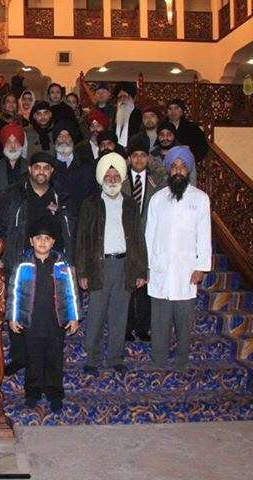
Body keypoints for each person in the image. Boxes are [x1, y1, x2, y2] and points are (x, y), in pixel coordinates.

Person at [0, 151, 75, 376]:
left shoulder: (61, 196)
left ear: (52, 171)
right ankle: (20, 358)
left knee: (52, 312)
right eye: (37, 167)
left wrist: (71, 261)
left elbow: (70, 230)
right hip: (21, 260)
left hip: (54, 262)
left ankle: (50, 362)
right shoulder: (14, 195)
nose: (41, 171)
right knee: (21, 309)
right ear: (30, 169)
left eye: (46, 168)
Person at [76, 153, 148, 376]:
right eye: (108, 174)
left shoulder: (130, 204)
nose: (113, 178)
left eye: (116, 174)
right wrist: (82, 272)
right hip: (99, 266)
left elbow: (138, 237)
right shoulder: (90, 204)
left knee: (119, 314)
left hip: (124, 265)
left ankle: (116, 357)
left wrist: (140, 270)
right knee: (96, 313)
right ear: (101, 177)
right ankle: (93, 358)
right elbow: (82, 240)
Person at [146, 146, 211, 371]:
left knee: (184, 320)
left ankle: (182, 360)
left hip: (187, 270)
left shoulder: (201, 199)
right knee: (160, 319)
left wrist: (201, 266)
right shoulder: (157, 199)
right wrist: (147, 266)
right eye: (174, 166)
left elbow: (204, 234)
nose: (178, 170)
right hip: (160, 268)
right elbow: (149, 234)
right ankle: (159, 359)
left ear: (188, 169)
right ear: (169, 170)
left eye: (183, 166)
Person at [6, 216, 80, 412]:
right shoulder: (23, 265)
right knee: (34, 358)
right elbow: (13, 292)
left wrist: (74, 316)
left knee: (54, 358)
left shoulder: (62, 264)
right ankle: (33, 392)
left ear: (53, 242)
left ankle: (55, 393)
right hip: (32, 321)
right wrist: (13, 317)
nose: (42, 242)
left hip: (56, 321)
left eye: (47, 239)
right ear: (31, 241)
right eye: (38, 238)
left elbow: (71, 292)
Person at [121, 138, 166, 341]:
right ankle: (127, 325)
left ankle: (142, 326)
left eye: (142, 155)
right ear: (129, 159)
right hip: (126, 239)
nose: (139, 159)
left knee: (146, 285)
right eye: (135, 155)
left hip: (149, 240)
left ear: (148, 158)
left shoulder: (157, 183)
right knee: (127, 284)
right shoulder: (120, 183)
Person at [51, 118, 98, 221]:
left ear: (72, 139)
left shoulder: (87, 165)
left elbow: (92, 196)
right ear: (55, 140)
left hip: (82, 221)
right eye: (60, 136)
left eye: (67, 136)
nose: (64, 139)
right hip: (56, 222)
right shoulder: (47, 167)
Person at [0, 123, 28, 203]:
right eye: (9, 142)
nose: (13, 146)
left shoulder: (30, 167)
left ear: (21, 144)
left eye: (16, 142)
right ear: (4, 145)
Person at [166, 98, 208, 163]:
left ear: (182, 111)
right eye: (170, 109)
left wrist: (190, 157)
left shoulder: (192, 127)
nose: (173, 111)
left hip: (188, 164)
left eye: (176, 108)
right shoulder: (162, 127)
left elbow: (202, 147)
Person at [113, 82, 143, 148]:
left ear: (132, 98)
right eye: (119, 97)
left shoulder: (138, 114)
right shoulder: (114, 115)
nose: (122, 100)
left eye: (125, 96)